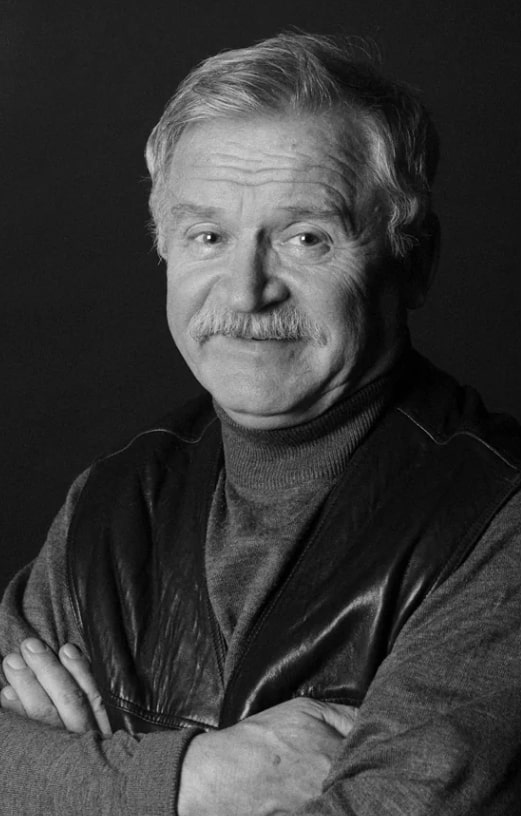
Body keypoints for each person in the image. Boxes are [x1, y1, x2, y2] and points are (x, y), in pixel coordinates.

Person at [0, 31, 520, 815]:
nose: (246, 292)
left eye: (306, 238)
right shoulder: (114, 502)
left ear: (413, 262)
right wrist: (189, 779)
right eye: (208, 236)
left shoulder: (496, 521)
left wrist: (68, 781)